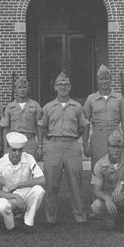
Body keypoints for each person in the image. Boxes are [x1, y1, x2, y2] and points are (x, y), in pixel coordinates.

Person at [39, 72, 89, 225]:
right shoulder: (48, 107)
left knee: (76, 182)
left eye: (66, 85)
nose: (63, 87)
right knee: (51, 183)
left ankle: (80, 216)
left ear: (70, 87)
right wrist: (44, 143)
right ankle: (50, 218)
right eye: (60, 84)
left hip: (72, 145)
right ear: (55, 87)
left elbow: (84, 126)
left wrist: (84, 143)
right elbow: (42, 126)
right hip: (53, 145)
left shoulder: (77, 106)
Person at [0, 132, 45, 232]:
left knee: (39, 190)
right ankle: (11, 225)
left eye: (20, 150)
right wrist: (15, 196)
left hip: (26, 194)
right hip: (9, 195)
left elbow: (42, 180)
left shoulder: (29, 158)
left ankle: (28, 222)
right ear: (8, 149)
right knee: (1, 206)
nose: (17, 153)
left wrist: (19, 185)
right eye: (14, 150)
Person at [83, 64, 124, 169]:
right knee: (98, 166)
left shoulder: (119, 98)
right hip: (98, 136)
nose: (104, 82)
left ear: (110, 79)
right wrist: (85, 144)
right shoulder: (91, 99)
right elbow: (85, 122)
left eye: (107, 79)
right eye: (101, 79)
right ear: (97, 80)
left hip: (115, 135)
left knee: (117, 167)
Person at [0, 76, 43, 160]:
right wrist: (5, 149)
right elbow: (5, 128)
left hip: (29, 143)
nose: (22, 90)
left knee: (29, 169)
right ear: (15, 90)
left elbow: (39, 127)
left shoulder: (35, 105)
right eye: (19, 87)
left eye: (25, 87)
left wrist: (40, 146)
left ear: (28, 89)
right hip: (14, 143)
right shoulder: (9, 107)